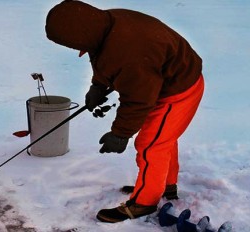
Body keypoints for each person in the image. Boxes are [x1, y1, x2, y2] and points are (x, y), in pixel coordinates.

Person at [45, 0, 204, 223]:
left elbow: (138, 99)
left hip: (178, 90)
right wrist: (98, 85)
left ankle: (144, 202)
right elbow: (104, 56)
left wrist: (120, 133)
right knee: (162, 138)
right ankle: (163, 185)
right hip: (164, 81)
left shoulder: (130, 50)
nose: (71, 48)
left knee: (151, 144)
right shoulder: (106, 23)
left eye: (70, 43)